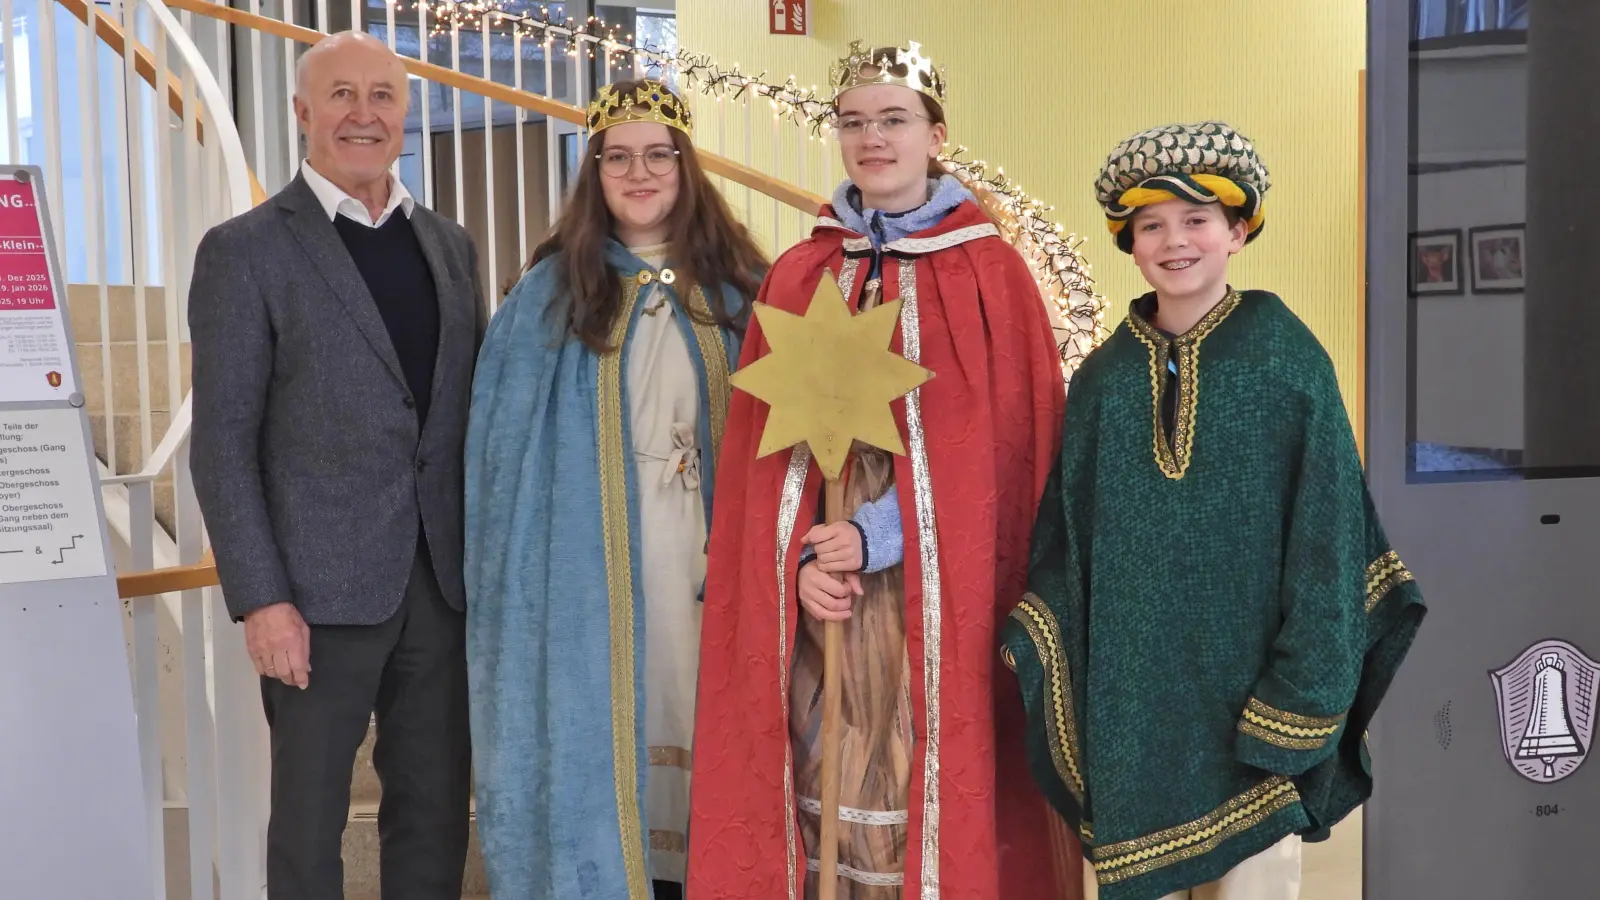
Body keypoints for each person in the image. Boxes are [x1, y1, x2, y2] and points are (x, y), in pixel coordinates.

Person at [688, 40, 1078, 900]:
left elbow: (1004, 466)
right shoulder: (799, 274)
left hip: (934, 605)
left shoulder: (990, 275)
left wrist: (875, 536)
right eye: (854, 123)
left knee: (920, 801)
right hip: (826, 607)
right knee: (820, 802)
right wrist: (794, 568)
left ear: (936, 134)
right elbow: (760, 474)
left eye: (894, 120)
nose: (873, 139)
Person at [1001, 122, 1427, 900]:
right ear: (1128, 243)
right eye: (1151, 226)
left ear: (1238, 230)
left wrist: (1299, 698)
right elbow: (1070, 546)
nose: (1174, 241)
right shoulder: (1100, 382)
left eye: (1197, 220)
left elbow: (1330, 542)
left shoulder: (1287, 359)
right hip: (1134, 720)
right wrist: (1042, 646)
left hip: (1252, 719)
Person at [188, 30, 485, 900]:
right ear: (302, 113)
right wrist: (262, 599)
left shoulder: (451, 247)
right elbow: (223, 443)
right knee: (310, 823)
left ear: (406, 112)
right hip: (311, 598)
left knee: (433, 812)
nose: (365, 114)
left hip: (441, 585)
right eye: (342, 96)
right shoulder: (244, 250)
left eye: (383, 96)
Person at [463, 78, 766, 900]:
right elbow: (501, 469)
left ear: (686, 166)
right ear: (594, 173)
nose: (639, 174)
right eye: (618, 158)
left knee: (707, 728)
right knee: (614, 734)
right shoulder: (548, 296)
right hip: (593, 575)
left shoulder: (748, 292)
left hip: (711, 566)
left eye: (657, 156)